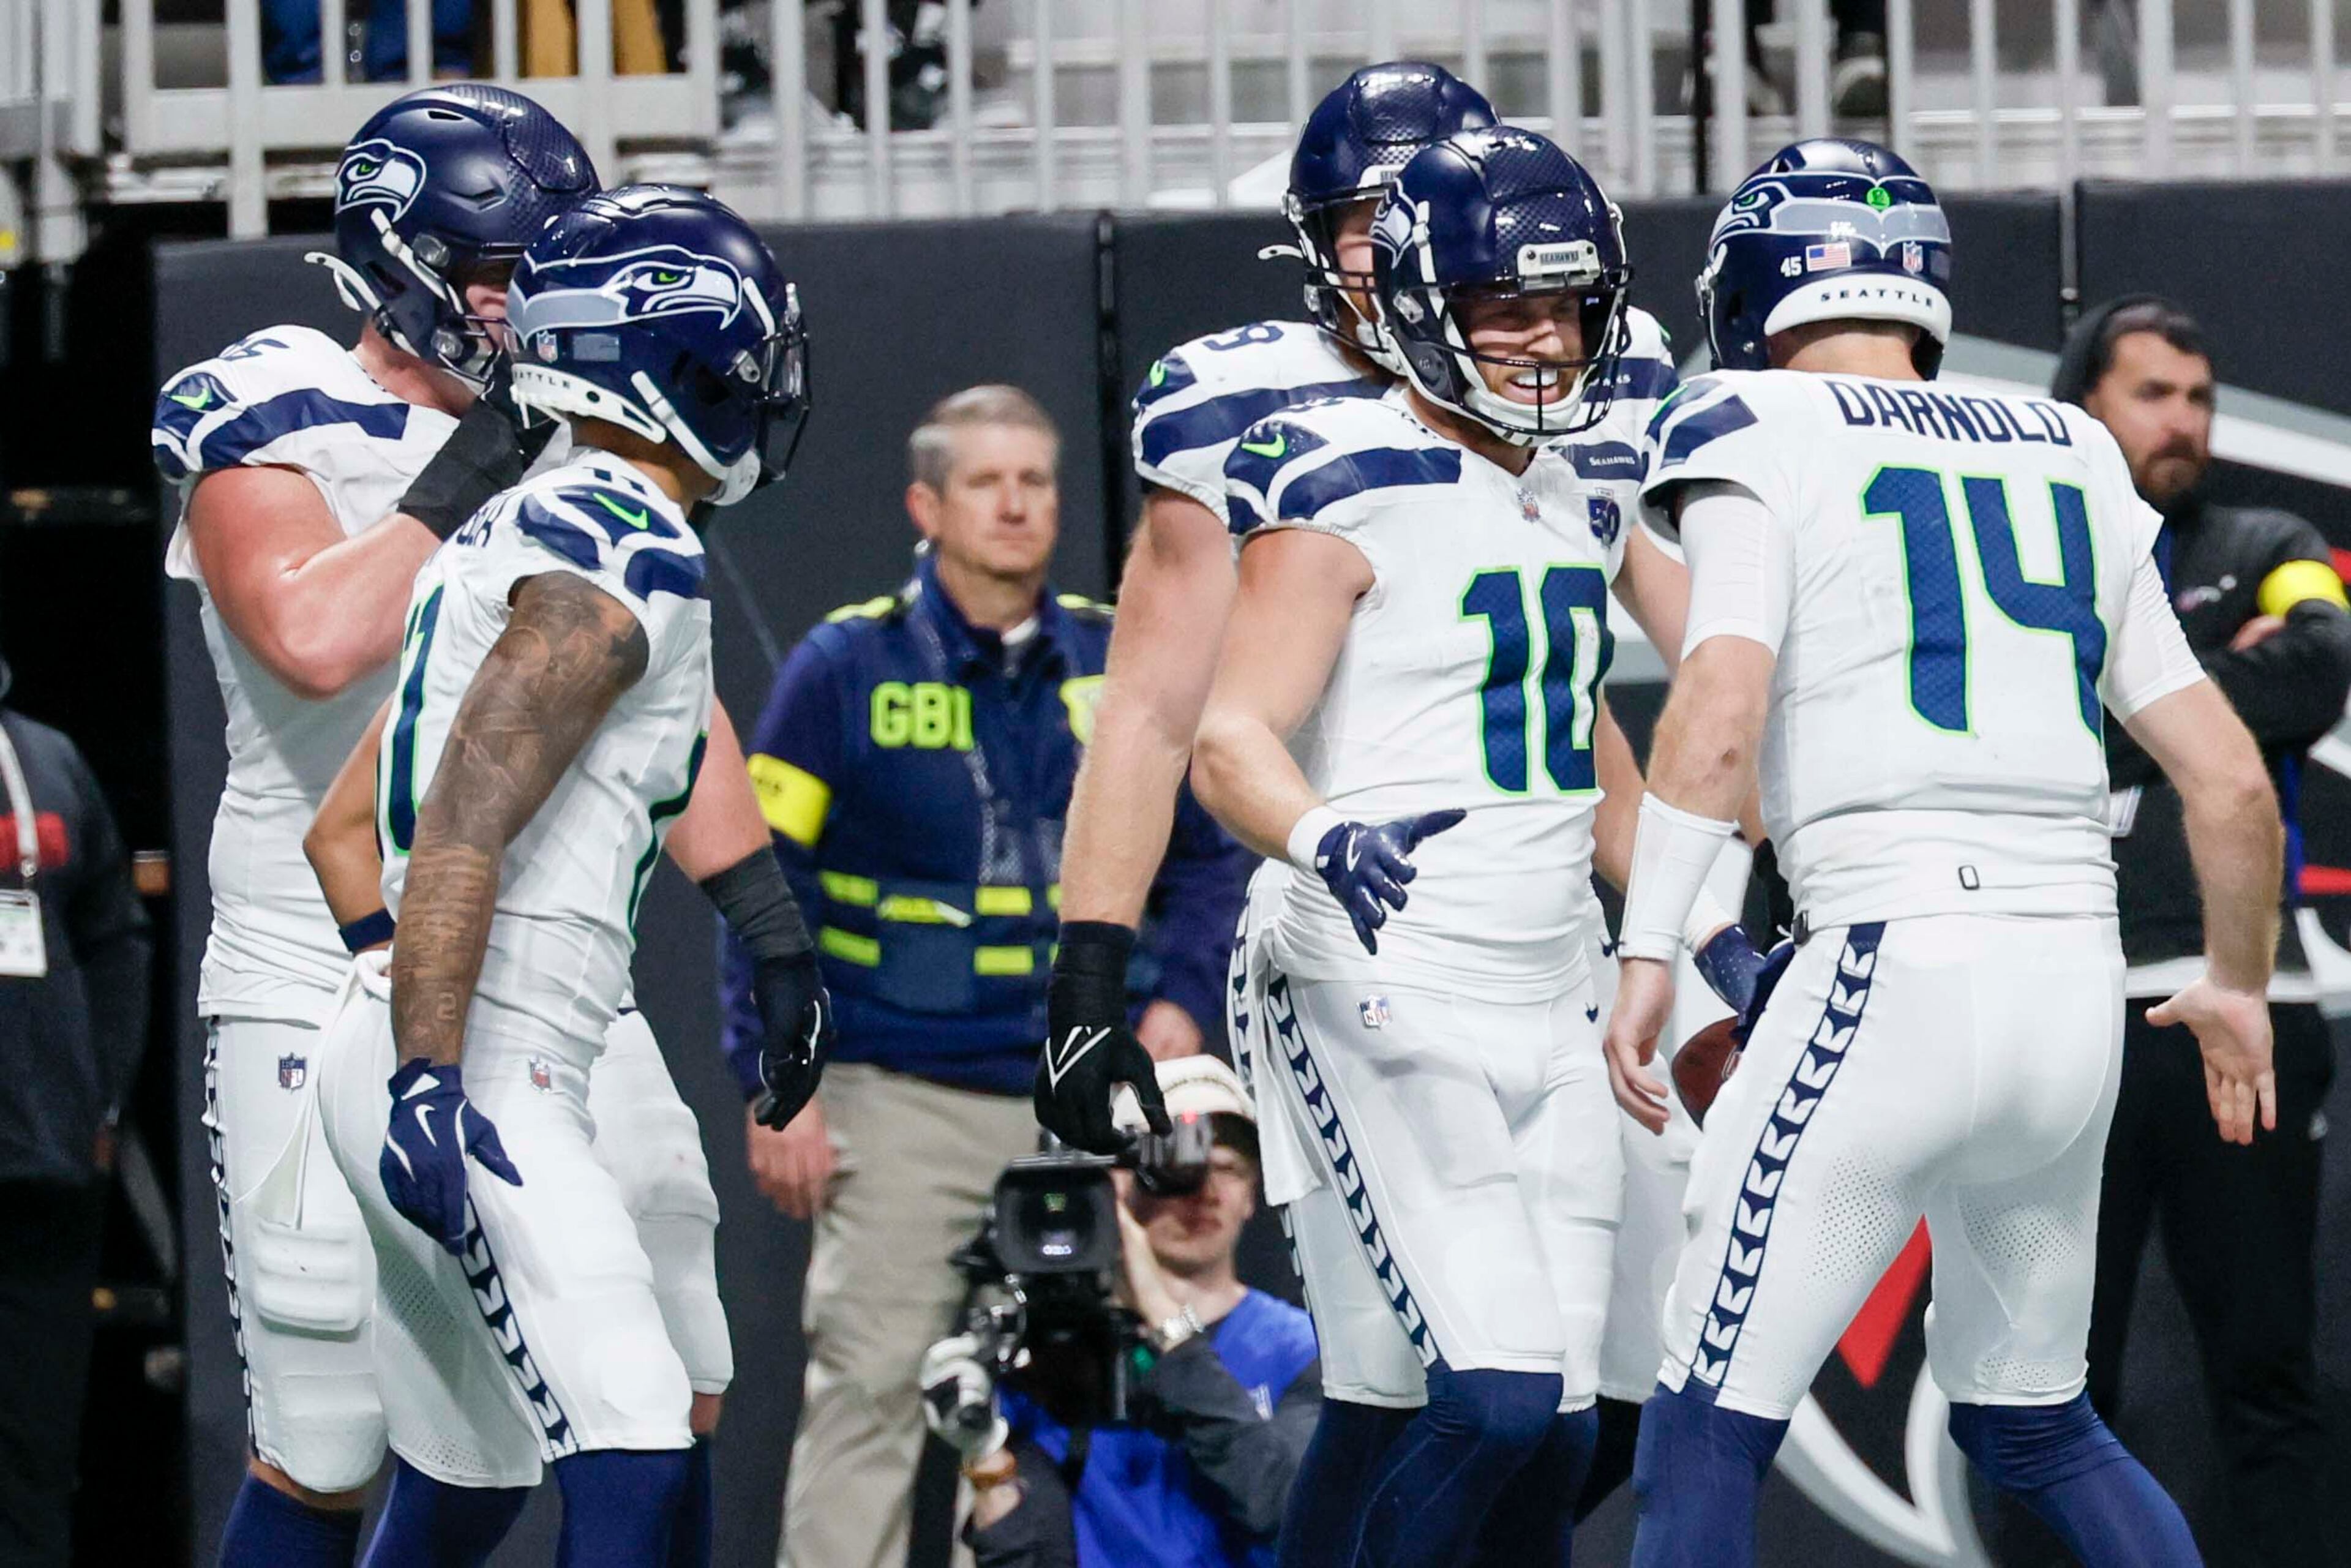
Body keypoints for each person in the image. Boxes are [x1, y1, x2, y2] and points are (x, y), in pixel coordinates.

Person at [1034, 66, 1687, 1550]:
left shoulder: (1568, 383)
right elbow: (1159, 710)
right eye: (1353, 215)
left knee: (1592, 1393)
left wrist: (1692, 920)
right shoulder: (1257, 417)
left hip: (1544, 942)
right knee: (1448, 1391)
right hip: (1364, 939)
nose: (1376, 241)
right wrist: (1090, 971)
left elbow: (1561, 685)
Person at [1603, 138, 2281, 1568]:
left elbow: (1714, 707)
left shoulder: (1746, 418)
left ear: (1759, 285)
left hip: (1888, 963)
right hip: (2067, 987)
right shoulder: (2072, 447)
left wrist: (1648, 945)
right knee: (2034, 1421)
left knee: (1702, 1428)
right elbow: (2224, 775)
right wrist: (2232, 983)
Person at [304, 183, 820, 1564]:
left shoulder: (534, 523)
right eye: (737, 360)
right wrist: (427, 1065)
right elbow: (462, 826)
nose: (760, 391)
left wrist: (770, 936)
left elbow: (346, 823)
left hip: (490, 1032)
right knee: (635, 1437)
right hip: (482, 1050)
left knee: (530, 1448)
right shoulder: (615, 545)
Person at [154, 83, 604, 1566]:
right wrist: (483, 456)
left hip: (517, 955)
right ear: (399, 256)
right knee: (332, 1430)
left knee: (570, 1408)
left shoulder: (567, 429)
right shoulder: (272, 399)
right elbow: (313, 637)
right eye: (492, 274)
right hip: (313, 957)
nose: (519, 305)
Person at [722, 384, 1248, 1568]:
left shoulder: (1121, 662)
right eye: (986, 481)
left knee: (1064, 1403)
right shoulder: (841, 667)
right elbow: (758, 886)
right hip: (897, 1097)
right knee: (868, 1390)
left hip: (1085, 1102)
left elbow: (1213, 859)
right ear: (926, 503)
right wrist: (777, 1086)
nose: (1017, 505)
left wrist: (1178, 1005)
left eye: (1037, 481)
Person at [2052, 297, 2351, 1568]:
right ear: (2082, 406)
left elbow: (2322, 659)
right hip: (2067, 1017)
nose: (2186, 419)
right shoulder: (2029, 548)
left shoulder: (2269, 536)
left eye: (2200, 395)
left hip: (2253, 1013)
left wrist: (2109, 695)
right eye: (2153, 392)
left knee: (2270, 1376)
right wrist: (2213, 682)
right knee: (2048, 1389)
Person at [921, 1056, 1320, 1568]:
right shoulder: (1049, 1350)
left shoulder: (1295, 1348)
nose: (1205, 1192)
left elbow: (1285, 1510)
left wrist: (1162, 1313)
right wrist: (984, 1452)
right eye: (1175, 1167)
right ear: (1118, 1185)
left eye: (1228, 1168)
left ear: (1254, 1195)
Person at [0, 636, 152, 1566]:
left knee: (32, 1459)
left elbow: (116, 938)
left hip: (43, 1174)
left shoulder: (48, 759)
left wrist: (97, 1105)